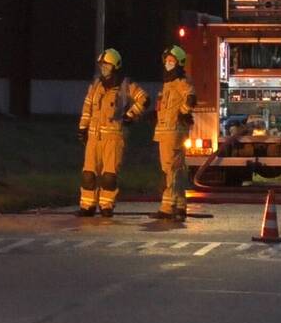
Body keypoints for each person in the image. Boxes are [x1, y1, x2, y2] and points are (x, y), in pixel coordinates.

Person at [77, 49, 149, 217]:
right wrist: (82, 128)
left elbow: (144, 99)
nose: (103, 68)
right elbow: (87, 108)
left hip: (113, 138)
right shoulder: (96, 86)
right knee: (88, 175)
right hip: (94, 138)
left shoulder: (125, 86)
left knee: (109, 176)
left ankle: (106, 206)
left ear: (115, 66)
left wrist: (131, 114)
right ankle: (87, 206)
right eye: (102, 65)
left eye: (107, 65)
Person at [151, 45, 196, 222]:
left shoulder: (180, 81)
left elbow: (190, 97)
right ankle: (179, 204)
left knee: (169, 170)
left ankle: (167, 207)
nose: (168, 63)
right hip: (167, 133)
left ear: (179, 63)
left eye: (172, 61)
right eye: (167, 60)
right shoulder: (168, 84)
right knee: (176, 170)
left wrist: (183, 112)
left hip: (173, 133)